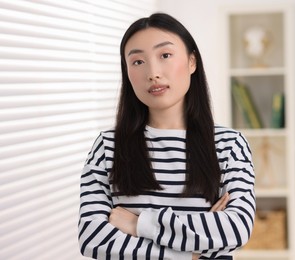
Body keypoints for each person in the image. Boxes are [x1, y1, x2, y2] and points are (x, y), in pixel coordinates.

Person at [78, 12, 255, 259]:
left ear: (192, 62)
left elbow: (236, 229)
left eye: (165, 55)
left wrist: (138, 225)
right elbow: (93, 239)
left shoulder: (229, 145)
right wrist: (192, 254)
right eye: (138, 62)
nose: (153, 72)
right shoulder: (108, 147)